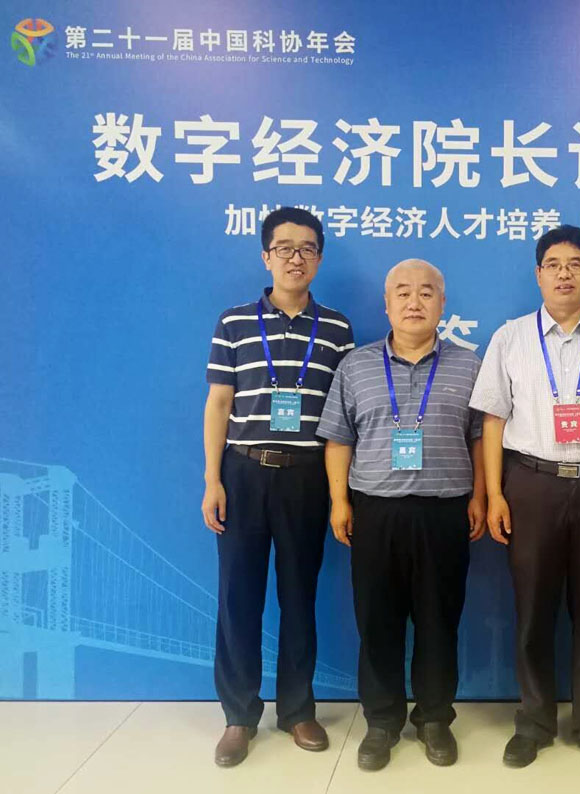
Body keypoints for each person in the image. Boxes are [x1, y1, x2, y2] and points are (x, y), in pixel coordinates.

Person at [469, 225, 580, 774]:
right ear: (538, 274)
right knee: (532, 610)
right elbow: (492, 421)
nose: (564, 273)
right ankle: (534, 723)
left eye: (576, 264)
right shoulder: (511, 338)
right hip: (532, 483)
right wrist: (495, 494)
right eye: (553, 264)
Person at [317, 260, 486, 771]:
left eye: (427, 293)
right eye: (404, 293)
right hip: (375, 513)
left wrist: (480, 496)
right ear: (386, 304)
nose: (415, 302)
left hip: (444, 513)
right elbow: (338, 439)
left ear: (442, 304)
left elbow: (481, 439)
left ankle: (434, 718)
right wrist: (339, 501)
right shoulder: (355, 366)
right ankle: (382, 721)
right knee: (377, 622)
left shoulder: (469, 366)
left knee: (439, 622)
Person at [201, 207, 354, 767]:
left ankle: (296, 709)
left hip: (306, 475)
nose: (296, 257)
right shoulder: (234, 322)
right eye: (285, 248)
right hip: (242, 472)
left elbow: (343, 417)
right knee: (238, 598)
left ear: (319, 258)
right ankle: (239, 716)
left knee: (299, 596)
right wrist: (212, 479)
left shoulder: (337, 328)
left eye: (307, 248)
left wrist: (340, 492)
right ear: (266, 256)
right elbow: (219, 402)